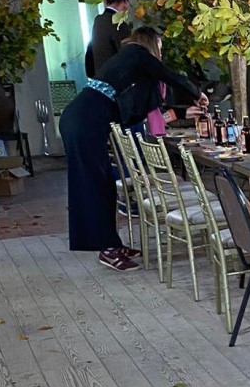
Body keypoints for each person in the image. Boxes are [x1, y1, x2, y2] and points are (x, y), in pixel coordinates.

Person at [60, 26, 208, 271]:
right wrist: (197, 92)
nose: (160, 52)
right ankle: (106, 249)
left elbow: (139, 106)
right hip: (83, 120)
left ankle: (112, 243)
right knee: (92, 184)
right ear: (150, 43)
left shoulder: (131, 65)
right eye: (159, 46)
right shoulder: (136, 53)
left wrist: (181, 111)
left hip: (86, 119)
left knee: (104, 183)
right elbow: (169, 75)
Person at [85, 0, 132, 79]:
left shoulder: (98, 21)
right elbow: (127, 58)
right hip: (117, 81)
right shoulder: (120, 25)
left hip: (100, 79)